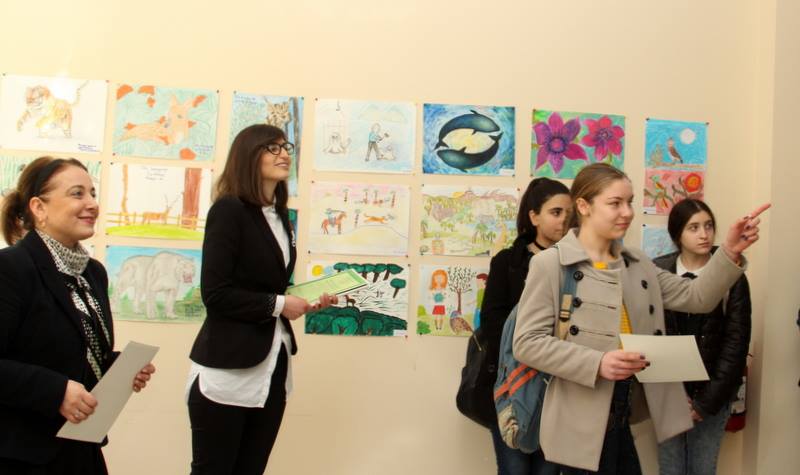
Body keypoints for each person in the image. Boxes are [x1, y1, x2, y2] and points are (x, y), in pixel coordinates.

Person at [512, 163, 767, 474]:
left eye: (630, 202)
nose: (627, 212)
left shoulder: (636, 264)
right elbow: (527, 342)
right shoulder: (551, 264)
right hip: (579, 420)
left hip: (624, 411)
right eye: (615, 203)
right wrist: (597, 363)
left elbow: (697, 296)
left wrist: (728, 251)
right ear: (583, 206)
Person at [186, 124, 337, 475]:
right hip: (228, 369)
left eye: (286, 146)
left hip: (272, 365)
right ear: (248, 156)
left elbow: (267, 284)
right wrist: (281, 304)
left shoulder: (280, 215)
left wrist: (304, 299)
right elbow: (215, 294)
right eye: (272, 147)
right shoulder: (228, 210)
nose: (284, 154)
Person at [0, 156, 156, 474]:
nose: (92, 204)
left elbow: (71, 351)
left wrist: (118, 369)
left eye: (93, 193)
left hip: (81, 447)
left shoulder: (93, 273)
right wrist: (55, 391)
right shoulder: (11, 268)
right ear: (38, 208)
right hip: (23, 454)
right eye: (77, 194)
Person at [479, 177, 571, 475]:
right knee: (514, 468)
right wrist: (528, 349)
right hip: (514, 383)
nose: (564, 220)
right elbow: (492, 323)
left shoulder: (576, 264)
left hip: (559, 386)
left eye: (569, 213)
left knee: (549, 470)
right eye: (556, 212)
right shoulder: (507, 262)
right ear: (534, 216)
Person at [654, 199, 751, 475]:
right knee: (670, 468)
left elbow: (736, 345)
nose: (704, 234)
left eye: (708, 226)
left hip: (712, 394)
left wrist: (704, 404)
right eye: (693, 228)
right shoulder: (658, 270)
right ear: (677, 234)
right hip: (668, 394)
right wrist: (671, 394)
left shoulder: (731, 275)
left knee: (703, 468)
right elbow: (651, 333)